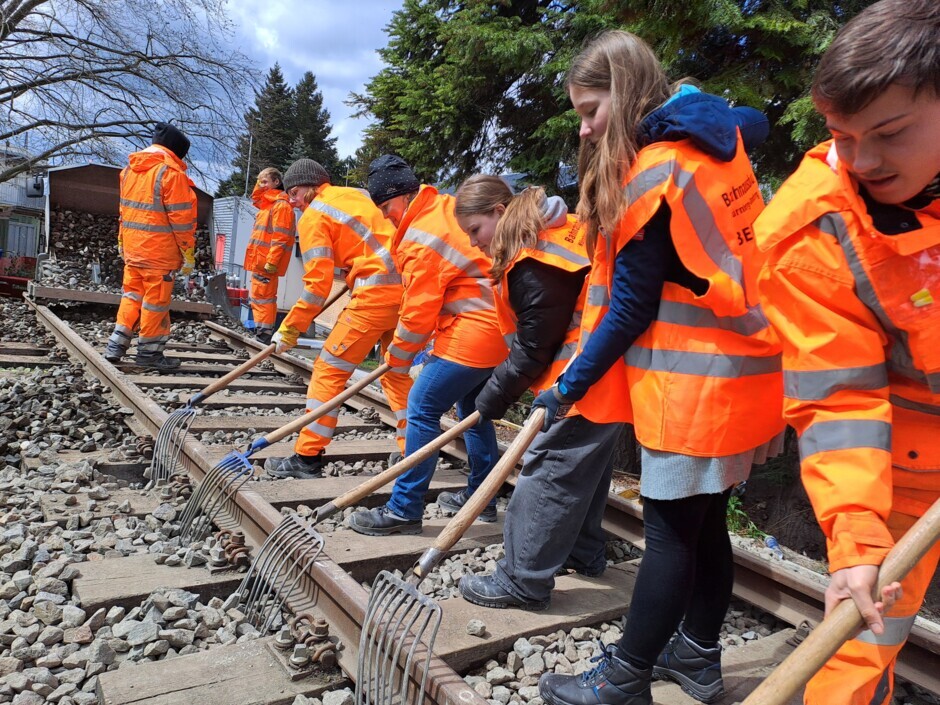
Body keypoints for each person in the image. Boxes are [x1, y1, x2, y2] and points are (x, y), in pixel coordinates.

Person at [534, 31, 783, 705]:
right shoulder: (711, 136)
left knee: (671, 534)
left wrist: (568, 386)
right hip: (743, 369)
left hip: (692, 386)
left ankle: (625, 677)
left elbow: (630, 307)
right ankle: (698, 656)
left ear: (625, 93)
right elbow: (752, 121)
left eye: (592, 111)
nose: (584, 130)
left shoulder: (653, 173)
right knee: (705, 524)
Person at [754, 2, 938, 703]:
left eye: (889, 134)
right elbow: (839, 396)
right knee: (862, 645)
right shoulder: (815, 230)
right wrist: (858, 541)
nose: (862, 160)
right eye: (841, 136)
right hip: (903, 471)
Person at [447, 175, 624, 611]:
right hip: (608, 370)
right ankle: (584, 552)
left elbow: (534, 346)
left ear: (499, 212)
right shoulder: (553, 234)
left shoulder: (532, 260)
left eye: (475, 230)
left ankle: (522, 580)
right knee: (586, 471)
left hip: (579, 378)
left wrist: (489, 401)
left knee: (549, 470)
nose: (474, 242)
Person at [346, 155, 508, 536]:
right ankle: (481, 499)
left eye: (387, 207)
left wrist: (397, 357)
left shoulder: (421, 235)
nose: (386, 217)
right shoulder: (444, 207)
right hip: (498, 331)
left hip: (474, 333)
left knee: (421, 406)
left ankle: (404, 509)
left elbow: (418, 311)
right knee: (473, 410)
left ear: (404, 195)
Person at [264, 159, 412, 479]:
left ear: (310, 187)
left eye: (295, 193)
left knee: (328, 370)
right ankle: (412, 451)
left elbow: (316, 287)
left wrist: (289, 329)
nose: (292, 201)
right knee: (396, 373)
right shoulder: (356, 196)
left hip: (375, 298)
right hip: (407, 294)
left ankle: (307, 457)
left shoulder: (314, 215)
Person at [104, 122, 196, 371]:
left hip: (133, 249)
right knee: (155, 302)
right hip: (159, 253)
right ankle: (149, 353)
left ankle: (116, 345)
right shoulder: (171, 174)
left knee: (131, 295)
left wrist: (122, 240)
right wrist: (187, 251)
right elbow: (181, 220)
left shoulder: (129, 171)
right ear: (177, 151)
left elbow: (124, 211)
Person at [243, 167, 296, 344]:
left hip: (266, 262)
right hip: (260, 260)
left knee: (264, 299)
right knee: (259, 298)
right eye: (259, 181)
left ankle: (264, 335)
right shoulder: (268, 205)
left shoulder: (281, 206)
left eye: (265, 181)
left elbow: (280, 237)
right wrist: (260, 184)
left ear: (276, 182)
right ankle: (261, 332)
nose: (261, 185)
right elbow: (255, 198)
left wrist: (272, 261)